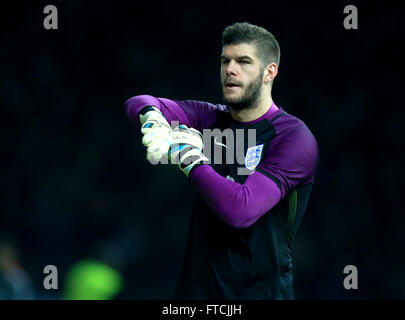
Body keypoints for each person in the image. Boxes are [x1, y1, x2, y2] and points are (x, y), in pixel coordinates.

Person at [125, 22, 319, 299]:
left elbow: (241, 210)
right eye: (225, 60)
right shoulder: (210, 118)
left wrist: (189, 157)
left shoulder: (293, 138)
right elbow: (139, 101)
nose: (230, 69)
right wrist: (153, 119)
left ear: (269, 72)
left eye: (243, 62)